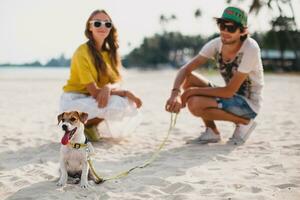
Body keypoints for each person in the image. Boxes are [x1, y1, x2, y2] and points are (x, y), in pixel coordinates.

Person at [165, 7, 264, 145]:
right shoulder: (216, 44)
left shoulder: (251, 48)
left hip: (249, 104)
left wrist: (189, 93)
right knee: (190, 78)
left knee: (194, 103)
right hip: (231, 96)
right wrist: (175, 93)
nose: (225, 31)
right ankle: (212, 132)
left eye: (231, 28)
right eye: (222, 26)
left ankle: (244, 122)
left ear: (242, 31)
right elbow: (185, 69)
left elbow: (229, 91)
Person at [59, 9, 142, 141]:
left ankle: (88, 127)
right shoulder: (82, 52)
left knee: (124, 103)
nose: (103, 27)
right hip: (73, 101)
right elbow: (95, 92)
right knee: (119, 101)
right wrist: (124, 92)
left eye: (107, 24)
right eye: (97, 23)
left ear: (110, 28)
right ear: (90, 27)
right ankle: (80, 127)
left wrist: (108, 87)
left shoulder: (110, 53)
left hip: (92, 99)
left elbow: (117, 81)